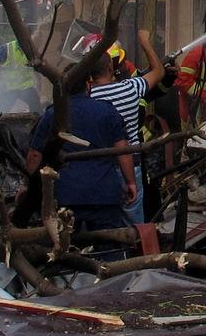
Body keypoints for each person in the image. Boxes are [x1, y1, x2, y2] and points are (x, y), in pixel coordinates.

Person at [26, 94, 135, 234]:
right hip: (103, 194)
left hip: (63, 196)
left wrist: (30, 186)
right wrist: (130, 182)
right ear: (87, 84)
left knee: (63, 246)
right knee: (109, 246)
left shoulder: (52, 114)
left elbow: (34, 156)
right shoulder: (107, 111)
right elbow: (123, 150)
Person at [87, 30, 164, 219]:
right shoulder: (130, 89)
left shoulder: (87, 97)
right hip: (130, 167)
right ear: (111, 69)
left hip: (97, 169)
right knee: (133, 223)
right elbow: (158, 72)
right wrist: (144, 42)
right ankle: (132, 248)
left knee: (103, 221)